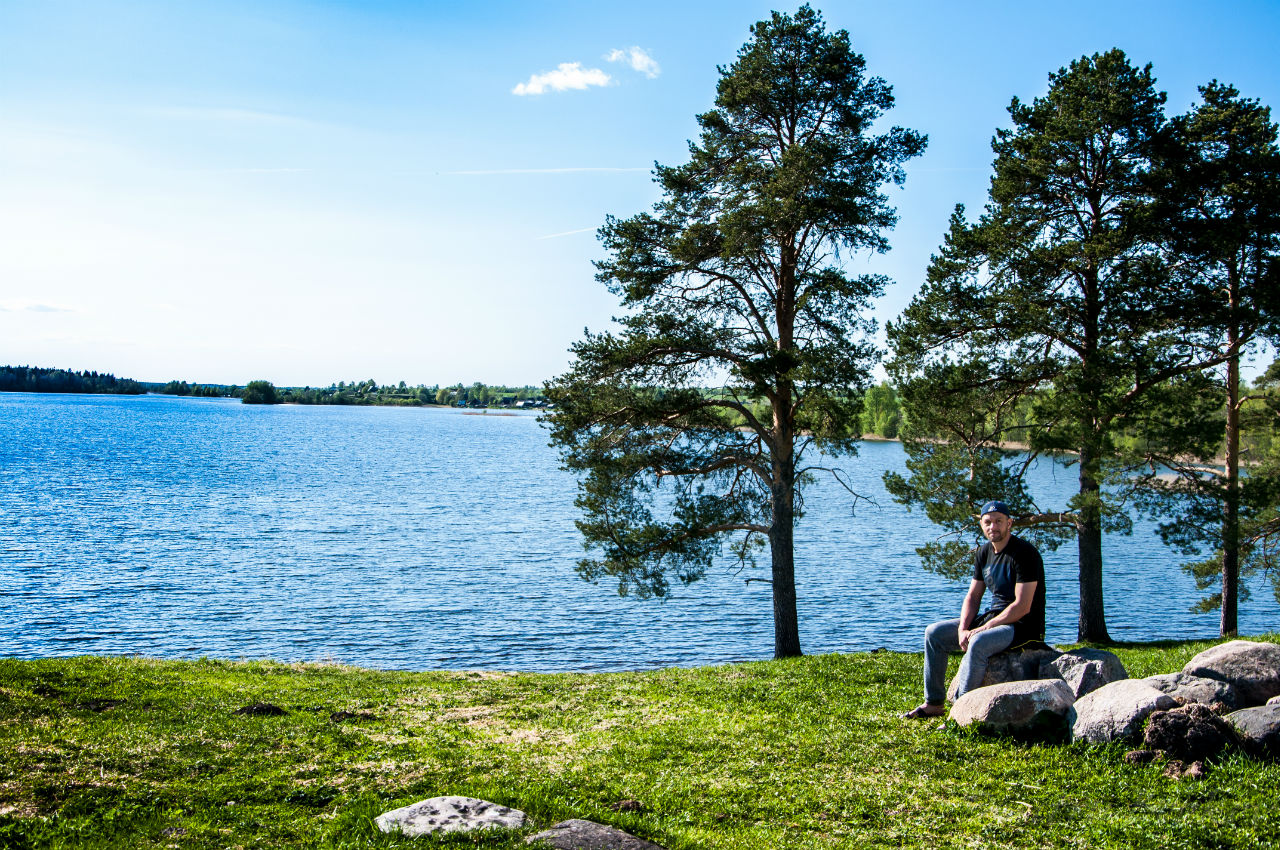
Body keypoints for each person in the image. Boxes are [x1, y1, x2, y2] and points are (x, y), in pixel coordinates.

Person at [903, 500, 1046, 719]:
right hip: (993, 619)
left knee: (978, 642)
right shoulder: (984, 553)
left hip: (1021, 627)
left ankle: (961, 712)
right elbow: (974, 595)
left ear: (1010, 523)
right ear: (981, 524)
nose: (993, 527)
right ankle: (934, 703)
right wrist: (963, 628)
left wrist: (984, 628)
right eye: (987, 522)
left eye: (999, 521)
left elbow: (1022, 606)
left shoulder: (1024, 553)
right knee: (934, 633)